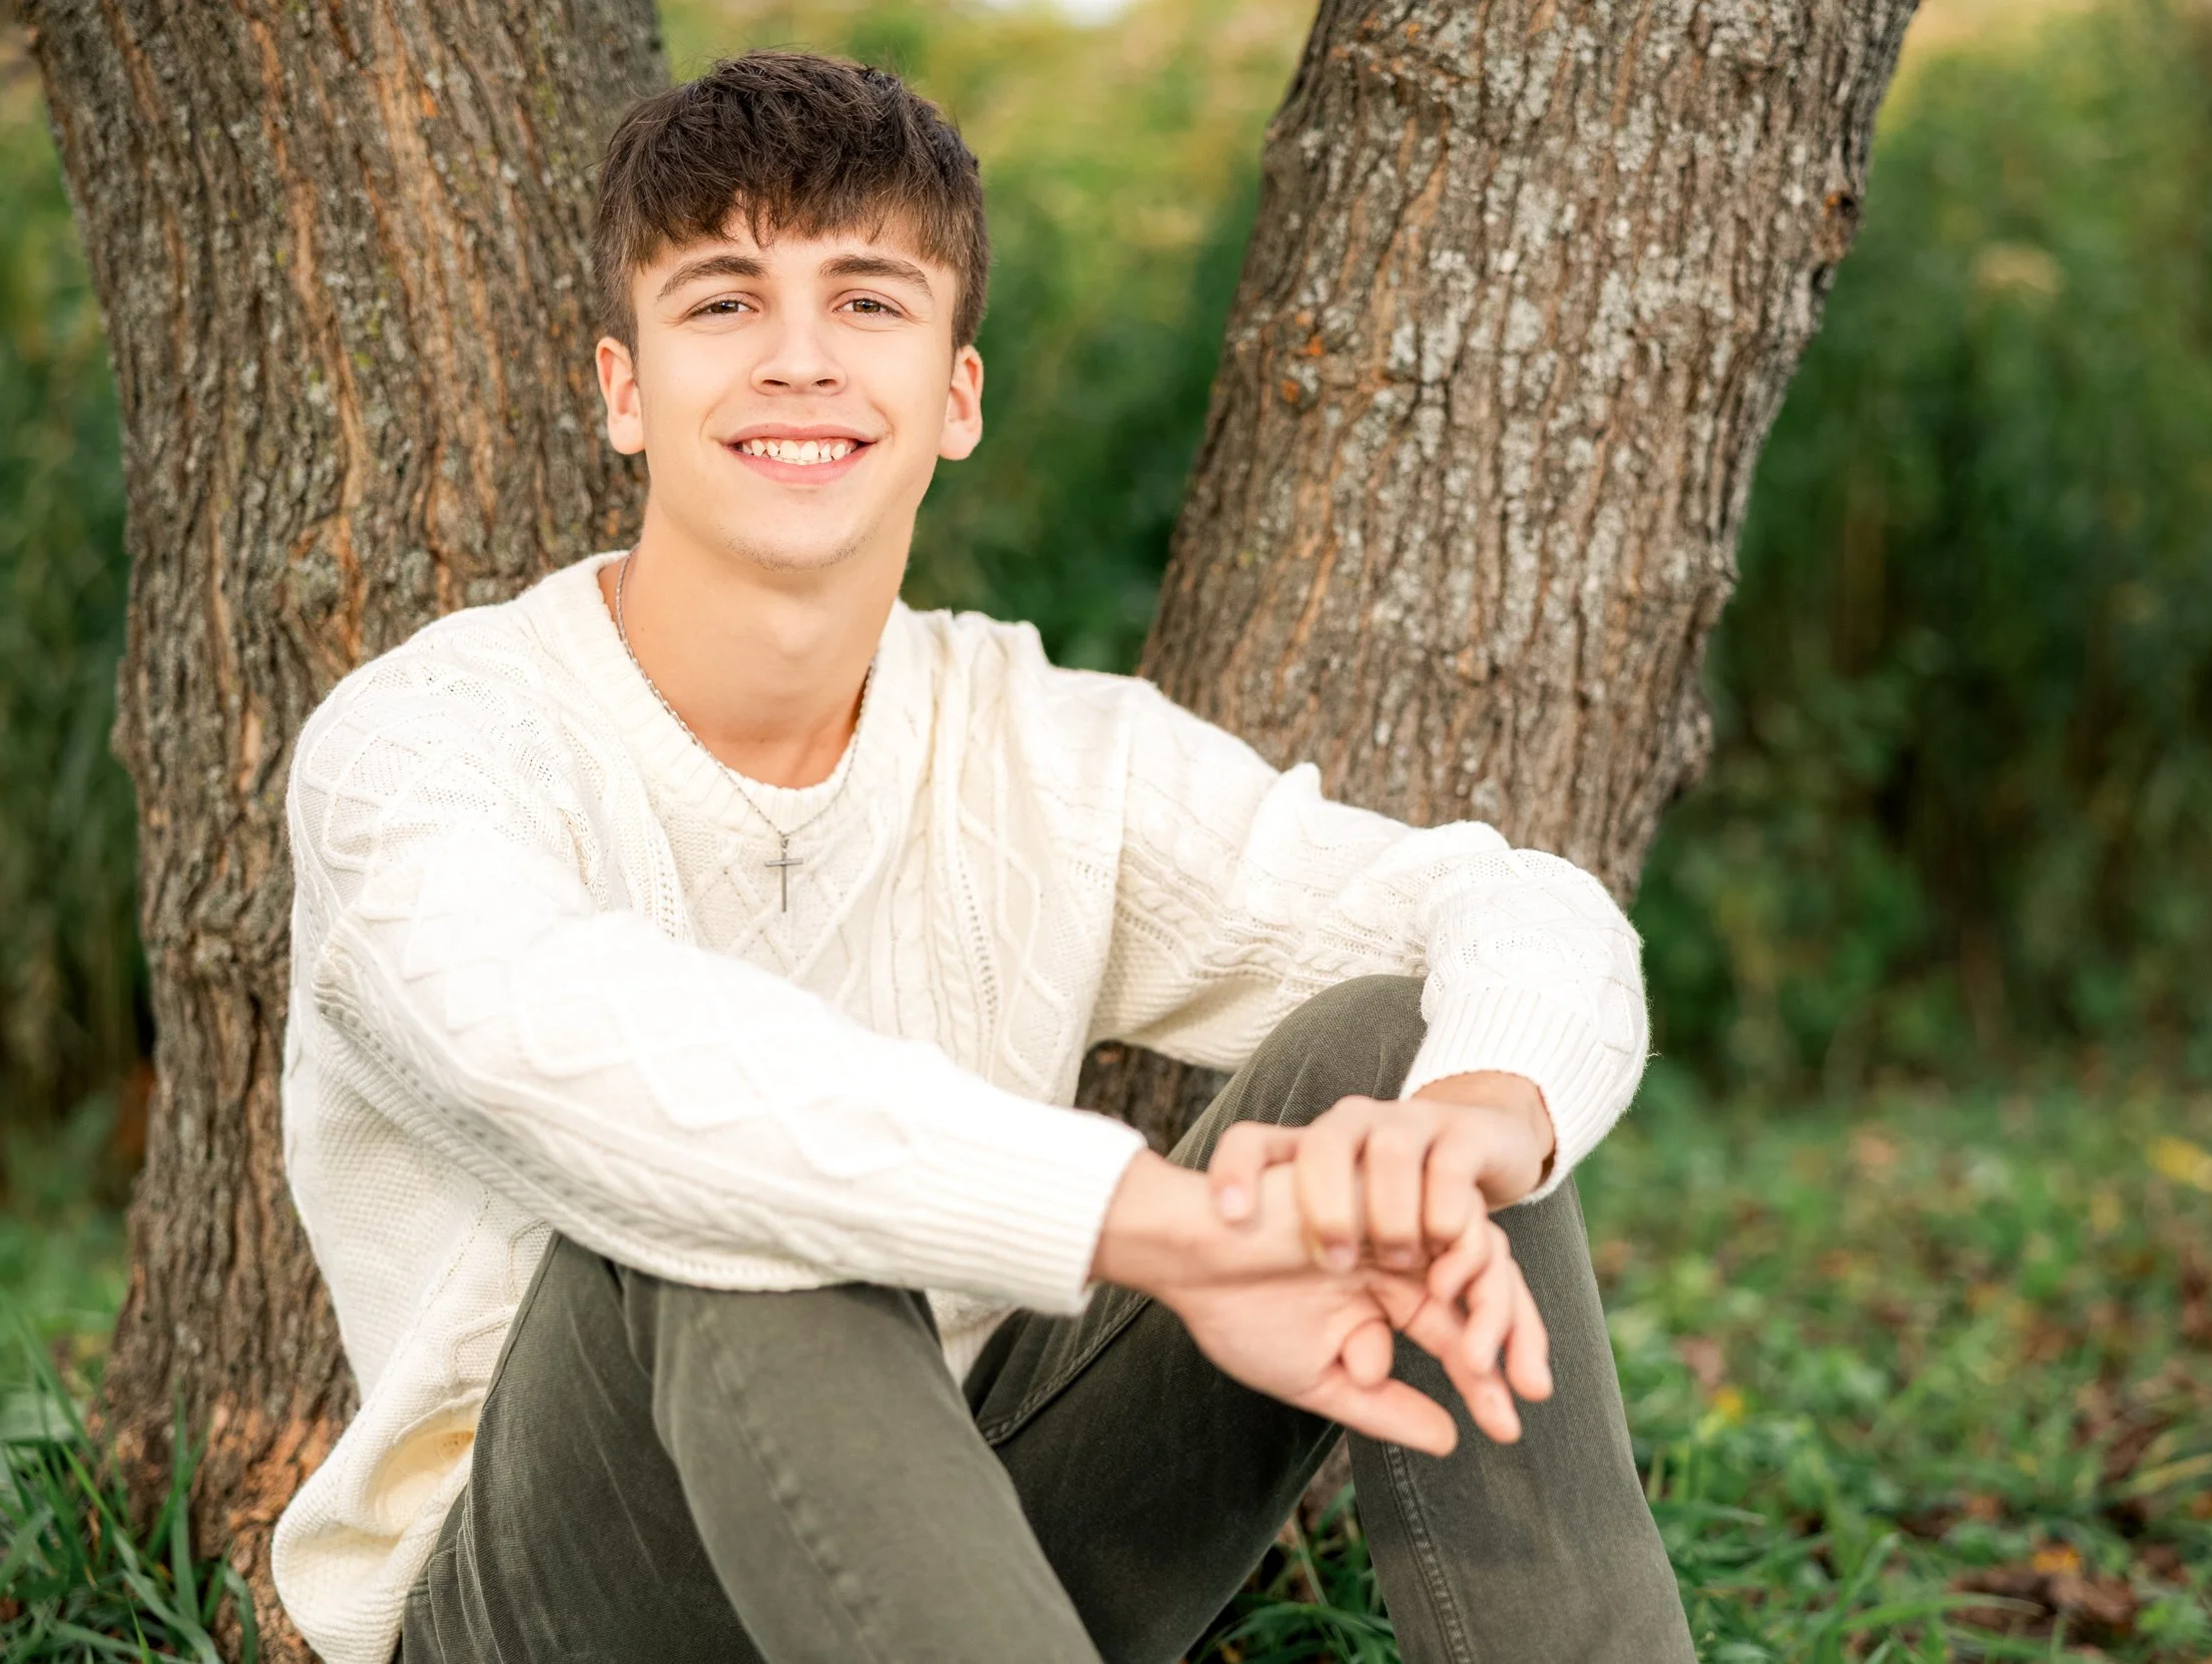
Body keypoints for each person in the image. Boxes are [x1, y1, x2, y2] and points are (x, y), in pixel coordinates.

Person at [268, 48, 1697, 1664]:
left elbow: (1503, 901)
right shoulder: (425, 742)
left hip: (963, 1550)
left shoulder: (1035, 743)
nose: (799, 362)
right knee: (736, 1203)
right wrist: (1165, 1226)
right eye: (725, 303)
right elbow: (610, 1059)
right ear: (621, 387)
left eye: (868, 303)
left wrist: (1485, 1104)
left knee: (1398, 1062)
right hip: (571, 1602)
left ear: (956, 394)